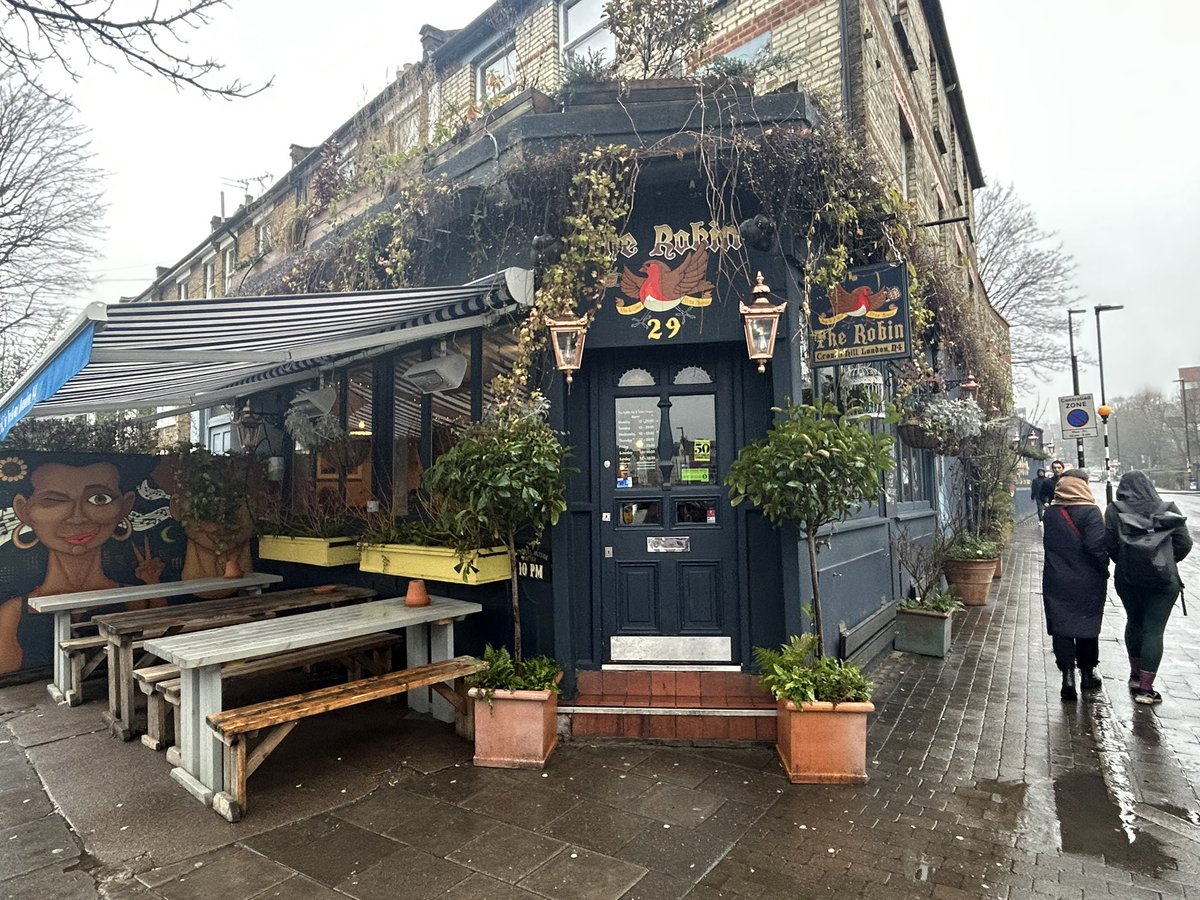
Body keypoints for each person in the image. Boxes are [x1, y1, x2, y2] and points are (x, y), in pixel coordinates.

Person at [1, 461, 163, 675]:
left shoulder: (132, 599)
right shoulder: (13, 612)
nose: (77, 517)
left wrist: (153, 584)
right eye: (52, 501)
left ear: (125, 505)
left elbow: (156, 649)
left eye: (99, 499)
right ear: (24, 509)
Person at [1104, 471, 1193, 705]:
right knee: (1154, 630)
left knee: (1134, 622)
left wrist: (1127, 562)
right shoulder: (1168, 507)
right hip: (1163, 581)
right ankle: (1146, 689)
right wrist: (1163, 560)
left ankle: (1134, 676)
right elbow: (1185, 543)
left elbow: (1110, 544)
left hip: (1128, 578)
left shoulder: (1115, 509)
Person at [1042, 467, 1109, 701]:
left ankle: (1067, 677)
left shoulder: (1050, 514)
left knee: (1061, 627)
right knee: (1087, 625)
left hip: (1056, 578)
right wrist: (1105, 569)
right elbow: (1096, 547)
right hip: (1087, 579)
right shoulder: (1091, 512)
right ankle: (1088, 674)